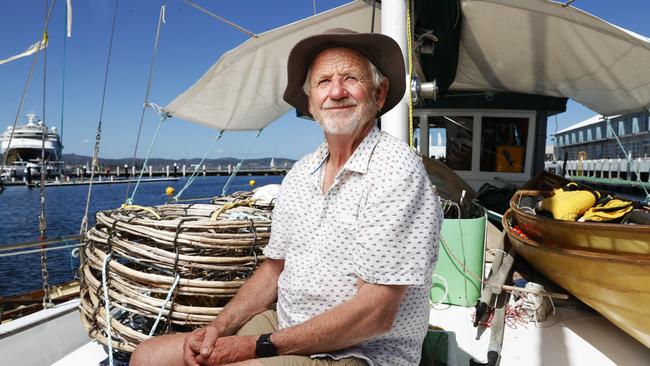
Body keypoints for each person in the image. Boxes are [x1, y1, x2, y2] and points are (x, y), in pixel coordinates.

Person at [131, 27, 442, 366]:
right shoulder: (302, 173)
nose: (336, 91)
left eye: (351, 78)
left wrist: (254, 347)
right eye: (323, 82)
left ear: (379, 94)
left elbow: (377, 313)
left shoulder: (396, 170)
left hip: (361, 351)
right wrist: (218, 327)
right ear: (310, 103)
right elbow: (274, 269)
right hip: (287, 323)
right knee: (148, 356)